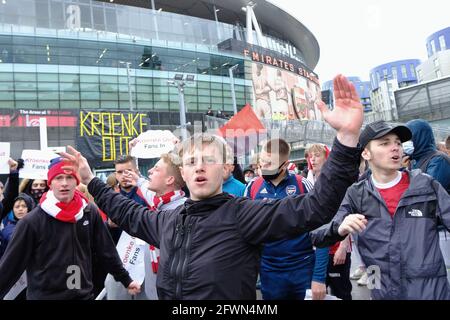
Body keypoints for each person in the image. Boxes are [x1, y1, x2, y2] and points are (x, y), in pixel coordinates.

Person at [60, 74, 364, 300]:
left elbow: (317, 206)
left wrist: (347, 140)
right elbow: (127, 212)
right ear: (183, 172)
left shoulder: (245, 214)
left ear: (225, 167)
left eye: (208, 159)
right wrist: (90, 181)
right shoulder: (167, 219)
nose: (200, 166)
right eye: (192, 161)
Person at [311, 120, 450, 300]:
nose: (395, 148)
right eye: (385, 143)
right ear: (366, 153)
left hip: (430, 292)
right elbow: (317, 233)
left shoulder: (425, 185)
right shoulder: (356, 194)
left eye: (398, 143)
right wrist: (340, 227)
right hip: (381, 291)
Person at [0, 157, 141, 299]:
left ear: (76, 181)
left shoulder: (88, 212)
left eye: (69, 177)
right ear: (50, 183)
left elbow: (106, 250)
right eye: (58, 178)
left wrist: (126, 280)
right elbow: (10, 266)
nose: (64, 183)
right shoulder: (31, 221)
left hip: (83, 295)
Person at [245, 139, 328, 300]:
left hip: (303, 267)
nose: (263, 167)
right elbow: (245, 233)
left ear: (284, 164)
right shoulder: (252, 187)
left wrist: (319, 277)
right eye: (262, 161)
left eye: (269, 163)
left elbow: (322, 231)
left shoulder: (302, 185)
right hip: (269, 271)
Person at [306, 143, 352, 300]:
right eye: (310, 155)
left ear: (328, 158)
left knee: (341, 291)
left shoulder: (337, 181)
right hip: (314, 248)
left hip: (336, 247)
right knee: (318, 293)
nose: (313, 159)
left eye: (317, 155)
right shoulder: (308, 181)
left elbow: (347, 214)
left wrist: (343, 247)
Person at [406, 119, 450, 193]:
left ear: (420, 137)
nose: (406, 142)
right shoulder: (413, 161)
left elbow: (428, 192)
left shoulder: (438, 160)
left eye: (409, 138)